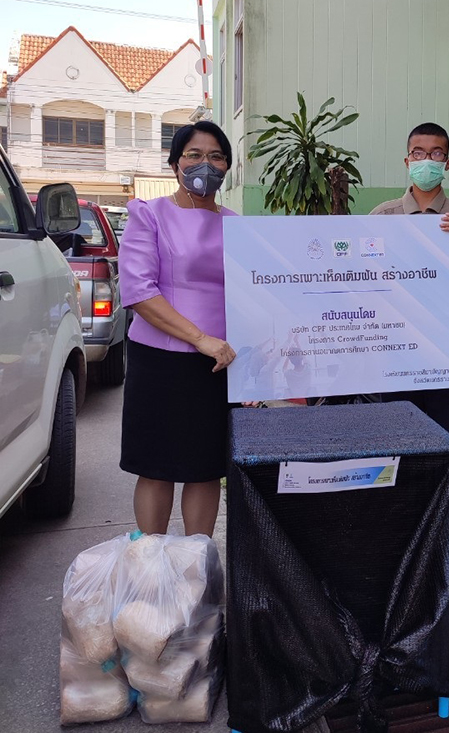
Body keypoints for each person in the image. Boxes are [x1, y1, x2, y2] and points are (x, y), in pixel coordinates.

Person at [119, 120, 238, 538]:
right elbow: (138, 292)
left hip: (219, 363)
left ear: (227, 168)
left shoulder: (237, 224)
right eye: (194, 155)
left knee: (205, 469)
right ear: (175, 165)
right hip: (161, 361)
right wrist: (199, 338)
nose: (206, 164)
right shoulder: (150, 214)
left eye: (216, 156)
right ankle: (152, 566)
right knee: (157, 468)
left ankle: (196, 565)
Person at [371, 122, 449, 439]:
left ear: (447, 163)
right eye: (418, 153)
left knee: (446, 440)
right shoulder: (382, 217)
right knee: (398, 437)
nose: (426, 161)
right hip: (395, 344)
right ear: (407, 161)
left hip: (446, 346)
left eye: (436, 154)